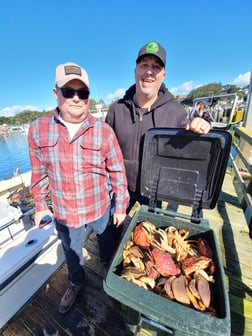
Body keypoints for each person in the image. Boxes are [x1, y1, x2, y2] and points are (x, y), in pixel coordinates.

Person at [28, 62, 129, 314]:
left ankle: (107, 268)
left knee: (107, 244)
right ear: (56, 93)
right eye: (68, 91)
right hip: (65, 212)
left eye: (82, 93)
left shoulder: (104, 131)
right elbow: (39, 173)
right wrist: (40, 206)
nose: (76, 98)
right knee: (71, 253)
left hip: (99, 207)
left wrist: (120, 206)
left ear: (88, 96)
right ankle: (76, 281)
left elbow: (117, 171)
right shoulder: (37, 129)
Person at [105, 41, 211, 211]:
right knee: (110, 232)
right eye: (144, 65)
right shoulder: (116, 110)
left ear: (163, 74)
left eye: (155, 66)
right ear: (135, 71)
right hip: (120, 188)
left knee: (152, 233)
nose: (149, 71)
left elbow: (193, 139)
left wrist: (203, 124)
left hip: (155, 191)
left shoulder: (176, 111)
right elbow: (102, 152)